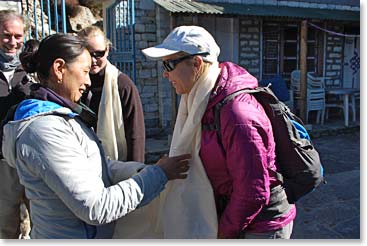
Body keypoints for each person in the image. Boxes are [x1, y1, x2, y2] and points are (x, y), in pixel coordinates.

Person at [1, 33, 191, 239]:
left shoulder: (64, 117)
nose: (88, 81)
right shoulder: (44, 130)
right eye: (84, 71)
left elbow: (93, 166)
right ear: (59, 69)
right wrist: (157, 176)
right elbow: (96, 207)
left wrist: (141, 170)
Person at [142, 25, 296, 239]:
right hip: (232, 216)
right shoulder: (201, 100)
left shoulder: (237, 113)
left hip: (260, 226)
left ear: (196, 63)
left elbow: (253, 192)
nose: (165, 74)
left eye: (169, 64)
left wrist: (223, 233)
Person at [78, 26, 145, 163]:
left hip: (117, 164)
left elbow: (135, 133)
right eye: (89, 54)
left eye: (99, 53)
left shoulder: (122, 85)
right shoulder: (75, 84)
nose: (94, 60)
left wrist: (136, 171)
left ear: (107, 50)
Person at [0, 9, 33, 239]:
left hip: (32, 159)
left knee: (43, 222)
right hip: (3, 163)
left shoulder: (34, 69)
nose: (13, 42)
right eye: (6, 35)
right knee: (5, 225)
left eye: (18, 36)